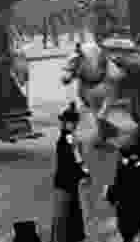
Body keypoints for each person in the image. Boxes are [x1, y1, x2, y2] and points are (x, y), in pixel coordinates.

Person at [50, 102, 90, 242]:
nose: (62, 124)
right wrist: (84, 173)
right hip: (66, 183)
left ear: (72, 124)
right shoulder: (68, 138)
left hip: (65, 184)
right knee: (67, 217)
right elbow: (79, 160)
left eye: (66, 122)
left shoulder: (70, 139)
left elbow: (77, 160)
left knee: (63, 218)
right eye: (63, 121)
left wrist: (84, 173)